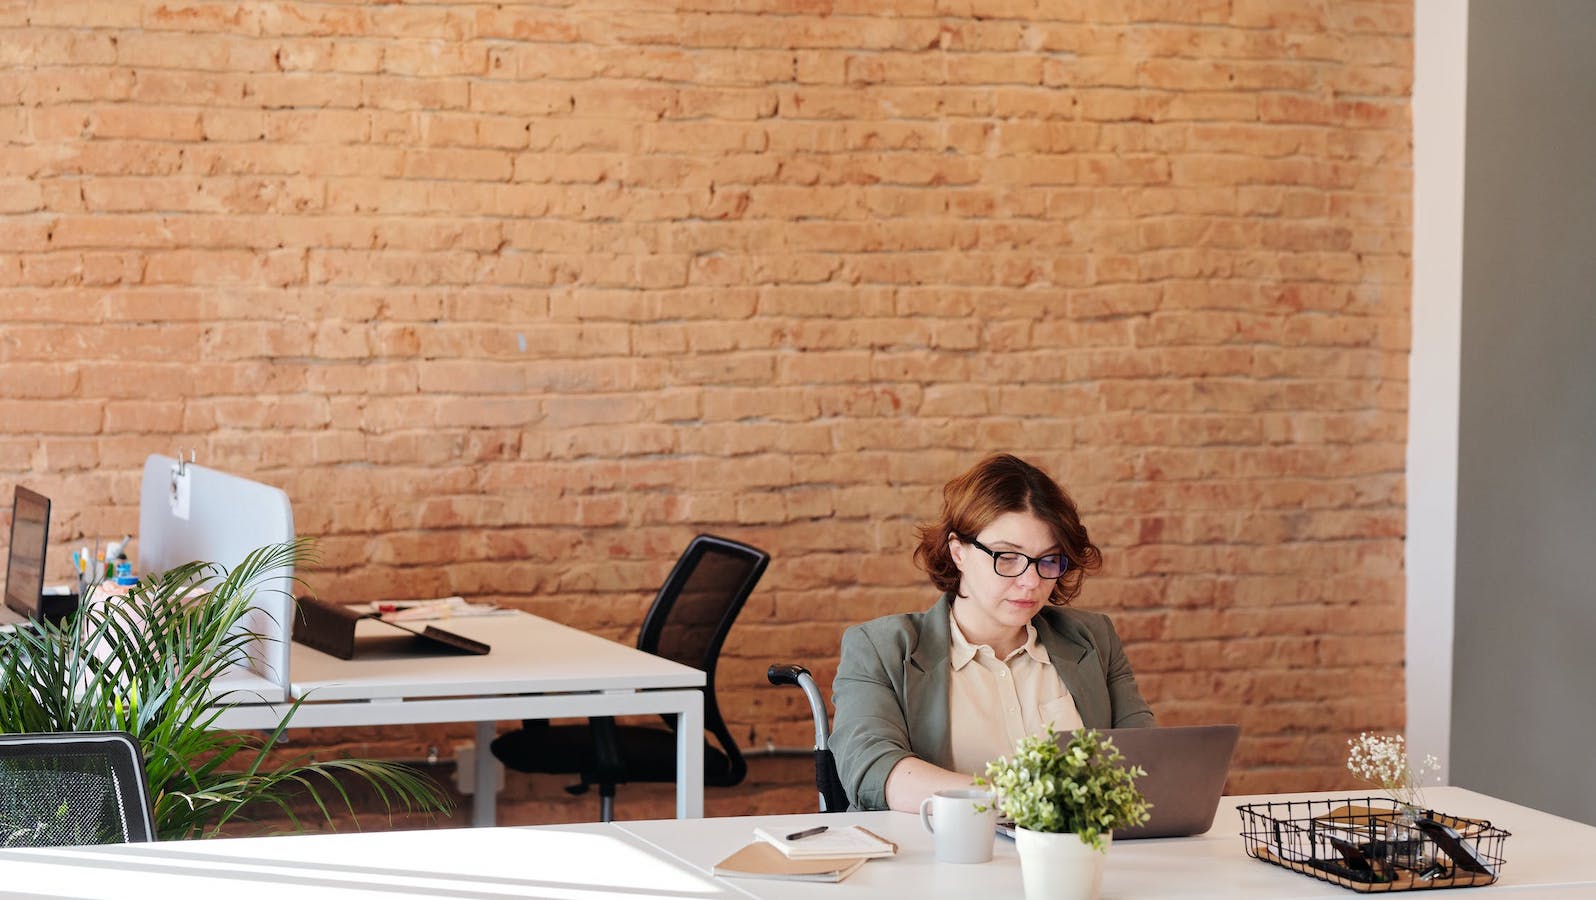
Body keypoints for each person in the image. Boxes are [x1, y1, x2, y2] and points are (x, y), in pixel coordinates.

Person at [830, 453, 1155, 812]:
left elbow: (1146, 761)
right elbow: (873, 772)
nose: (1031, 581)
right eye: (1008, 557)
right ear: (959, 553)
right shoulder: (881, 649)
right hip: (938, 858)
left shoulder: (1094, 639)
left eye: (1048, 559)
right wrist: (1019, 797)